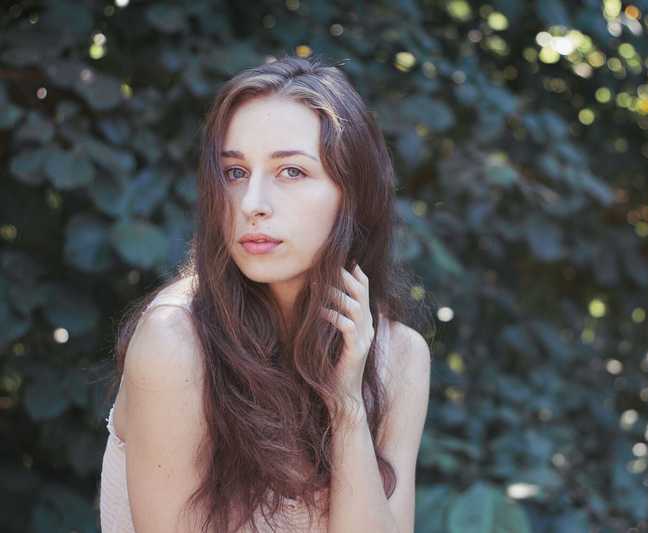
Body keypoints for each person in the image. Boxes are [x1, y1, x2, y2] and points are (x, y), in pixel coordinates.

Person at [98, 53, 433, 533]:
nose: (252, 204)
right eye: (234, 173)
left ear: (353, 195)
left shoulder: (398, 357)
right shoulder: (175, 341)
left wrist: (346, 406)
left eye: (291, 172)